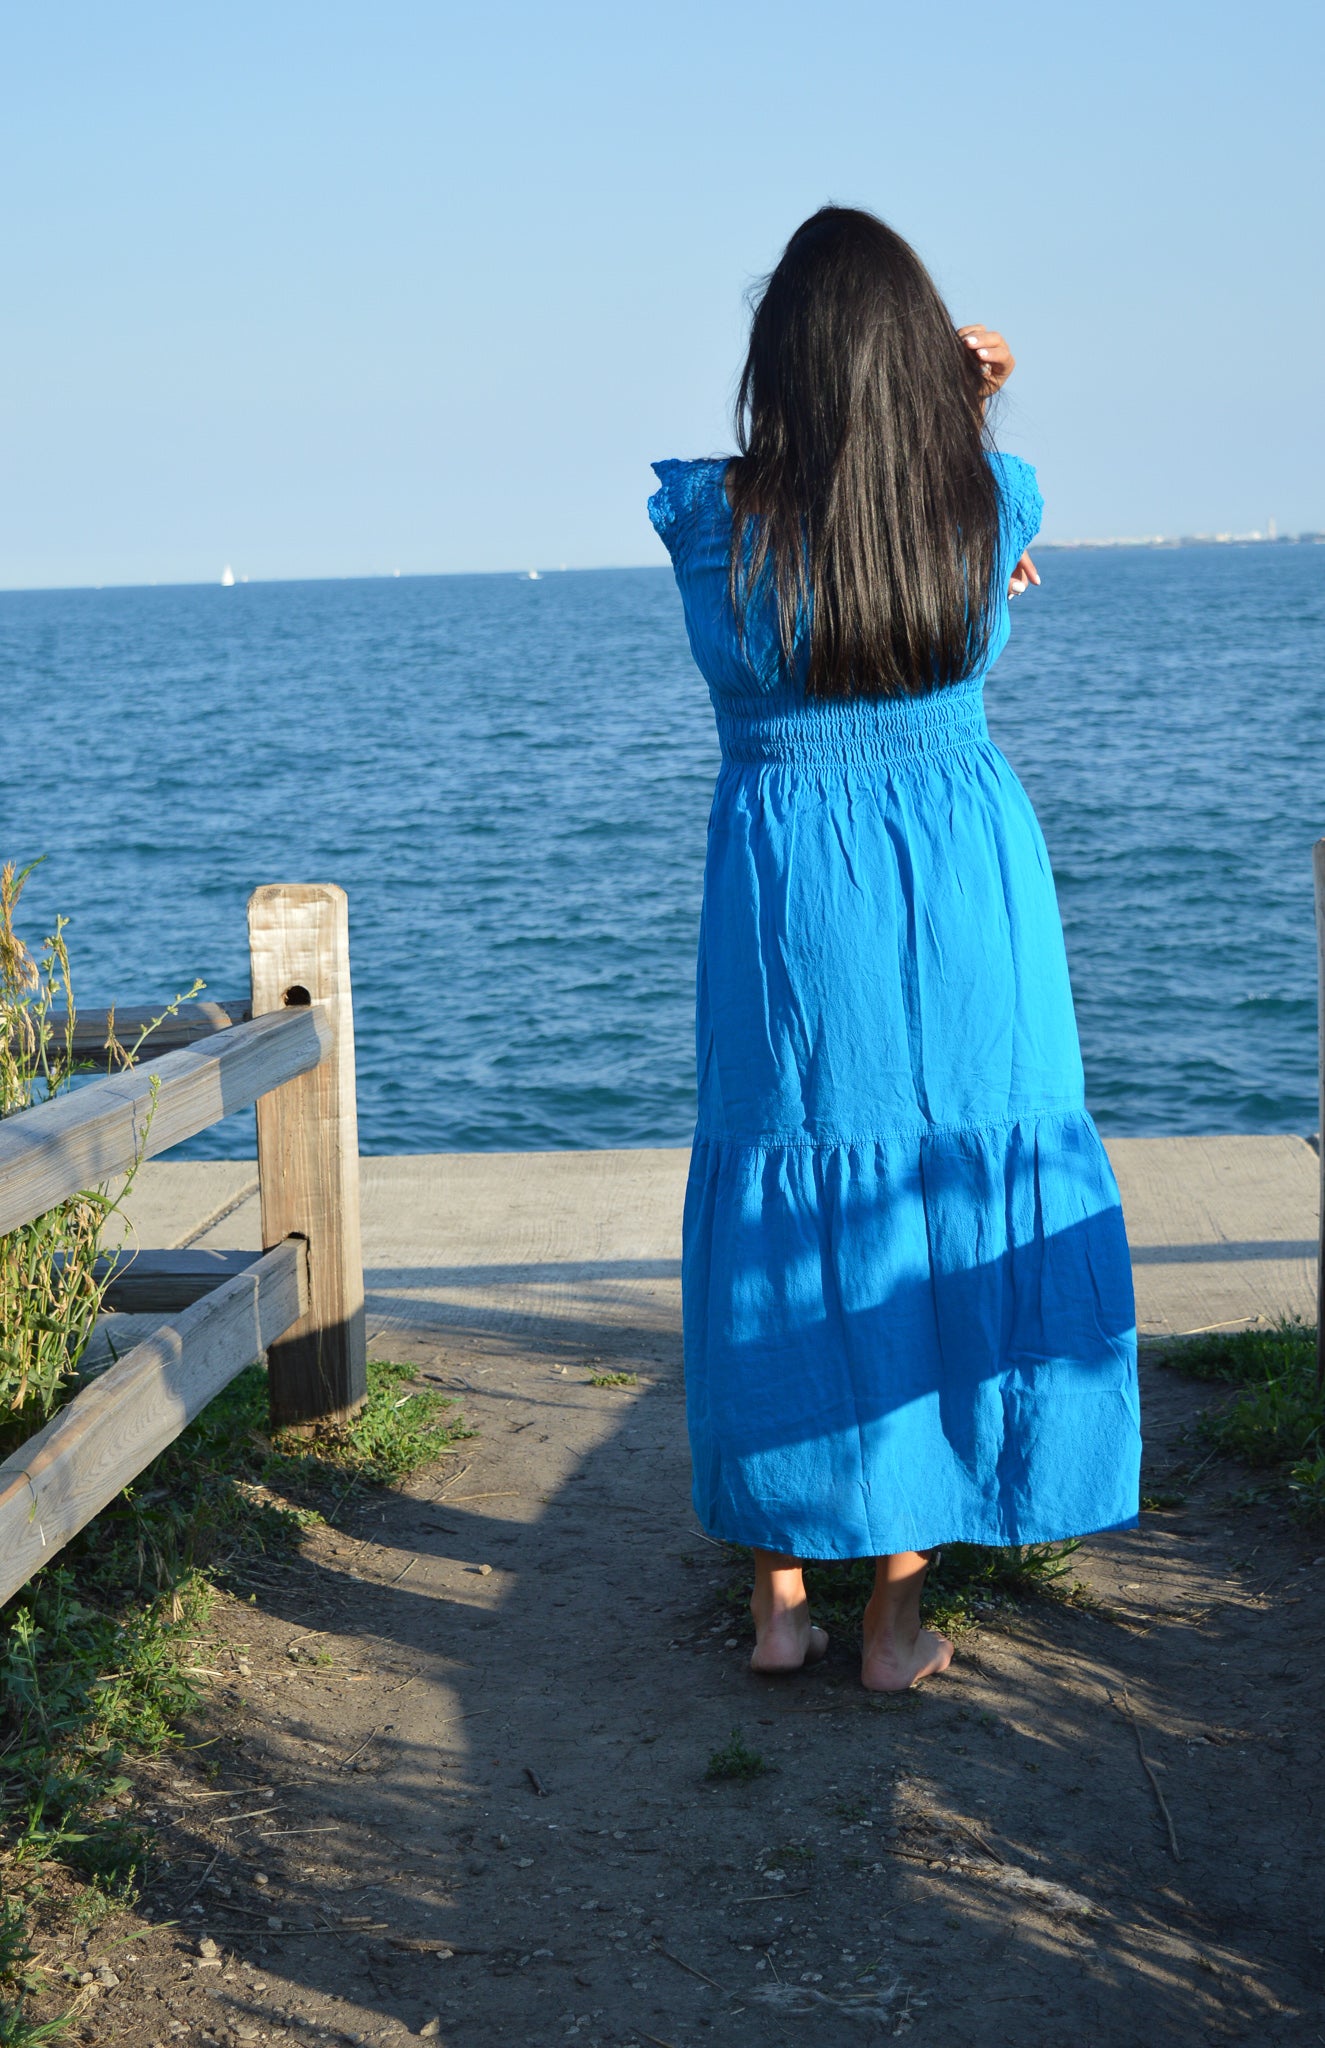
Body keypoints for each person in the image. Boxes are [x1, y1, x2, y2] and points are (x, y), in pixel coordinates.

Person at [648, 206, 1139, 1693]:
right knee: (948, 1193)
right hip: (965, 872)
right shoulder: (988, 499)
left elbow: (815, 527)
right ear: (913, 364)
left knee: (785, 1185)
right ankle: (893, 1625)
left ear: (776, 360)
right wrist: (974, 398)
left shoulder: (711, 519)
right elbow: (939, 509)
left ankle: (778, 1605)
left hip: (789, 883)